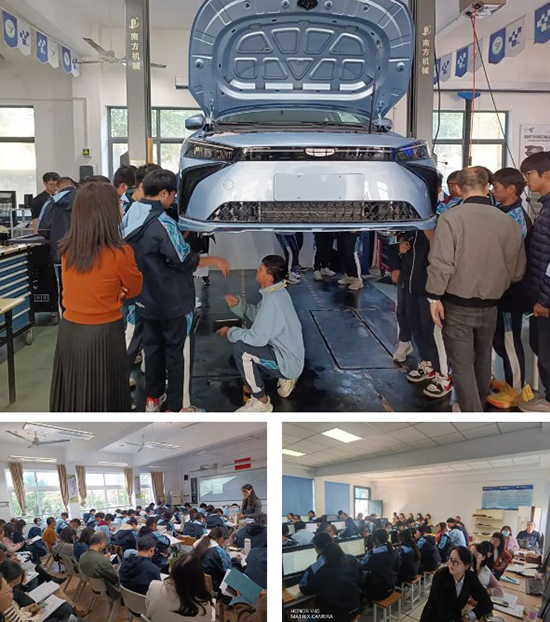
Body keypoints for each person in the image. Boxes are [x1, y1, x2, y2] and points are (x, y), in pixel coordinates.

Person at [124, 169, 230, 412]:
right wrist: (214, 259)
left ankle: (153, 399)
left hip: (144, 300)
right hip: (172, 302)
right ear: (164, 193)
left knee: (152, 351)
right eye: (173, 195)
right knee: (176, 354)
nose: (173, 199)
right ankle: (177, 407)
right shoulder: (163, 223)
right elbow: (183, 260)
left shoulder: (132, 214)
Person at [426, 166, 526, 412]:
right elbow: (518, 270)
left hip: (457, 303)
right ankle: (477, 404)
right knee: (483, 359)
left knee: (461, 364)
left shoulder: (451, 218)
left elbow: (441, 263)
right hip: (492, 304)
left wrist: (434, 297)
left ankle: (472, 412)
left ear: (459, 189)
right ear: (487, 187)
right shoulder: (509, 222)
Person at [49, 182, 143, 412]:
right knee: (104, 394)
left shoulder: (68, 249)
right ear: (106, 212)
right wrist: (117, 290)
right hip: (104, 334)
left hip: (70, 332)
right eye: (118, 204)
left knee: (75, 392)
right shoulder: (120, 253)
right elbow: (134, 288)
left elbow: (78, 289)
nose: (121, 208)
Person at [218, 255, 305, 412]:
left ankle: (261, 401)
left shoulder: (272, 301)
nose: (257, 271)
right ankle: (287, 377)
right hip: (289, 356)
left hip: (289, 362)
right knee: (247, 342)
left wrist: (231, 332)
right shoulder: (277, 292)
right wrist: (240, 306)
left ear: (269, 277)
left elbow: (257, 338)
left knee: (242, 350)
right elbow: (260, 316)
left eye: (260, 269)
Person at [488, 167, 534, 408]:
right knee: (500, 340)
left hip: (512, 290)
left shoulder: (516, 218)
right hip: (499, 289)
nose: (492, 191)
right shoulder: (500, 211)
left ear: (511, 189)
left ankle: (517, 390)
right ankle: (509, 382)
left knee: (509, 341)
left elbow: (511, 259)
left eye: (495, 187)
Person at [388, 230, 451, 399]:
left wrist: (427, 227)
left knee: (433, 333)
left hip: (430, 288)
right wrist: (397, 257)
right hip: (409, 283)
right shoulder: (411, 222)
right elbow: (397, 236)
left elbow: (442, 246)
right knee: (416, 327)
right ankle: (427, 364)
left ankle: (444, 375)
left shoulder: (439, 220)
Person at [519, 151, 550, 412]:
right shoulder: (545, 207)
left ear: (546, 174)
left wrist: (545, 300)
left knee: (547, 351)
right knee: (539, 346)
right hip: (540, 295)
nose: (526, 180)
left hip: (546, 300)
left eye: (529, 174)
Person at [300, 533, 363, 622]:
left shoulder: (315, 568)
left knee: (300, 616)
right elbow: (361, 577)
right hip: (354, 609)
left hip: (332, 617)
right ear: (333, 541)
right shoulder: (351, 558)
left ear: (316, 548)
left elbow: (304, 589)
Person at [420, 546, 493, 622]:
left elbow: (487, 603)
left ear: (467, 566)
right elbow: (443, 610)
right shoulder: (440, 576)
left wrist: (468, 616)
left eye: (456, 561)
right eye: (450, 559)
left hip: (455, 618)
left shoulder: (470, 577)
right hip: (434, 617)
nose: (451, 564)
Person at [38, 177, 78, 313]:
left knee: (64, 289)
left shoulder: (52, 202)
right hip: (85, 254)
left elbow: (42, 229)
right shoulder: (85, 200)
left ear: (58, 188)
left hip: (60, 254)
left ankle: (66, 317)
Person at [145, 553, 213, 622]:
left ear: (174, 570)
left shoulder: (154, 587)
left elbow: (148, 612)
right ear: (200, 577)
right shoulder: (205, 607)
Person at [79, 532, 120, 600]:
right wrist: (110, 566)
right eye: (104, 543)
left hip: (95, 586)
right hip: (110, 589)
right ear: (101, 543)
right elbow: (115, 578)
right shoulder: (102, 561)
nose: (105, 546)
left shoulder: (82, 556)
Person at [362, 528, 399, 602]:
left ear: (376, 539)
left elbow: (363, 566)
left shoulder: (374, 552)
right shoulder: (393, 549)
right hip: (391, 586)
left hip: (378, 591)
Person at [193, 528, 232, 593]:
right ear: (221, 539)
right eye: (226, 542)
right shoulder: (219, 552)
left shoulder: (198, 545)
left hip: (196, 582)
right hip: (213, 586)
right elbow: (227, 572)